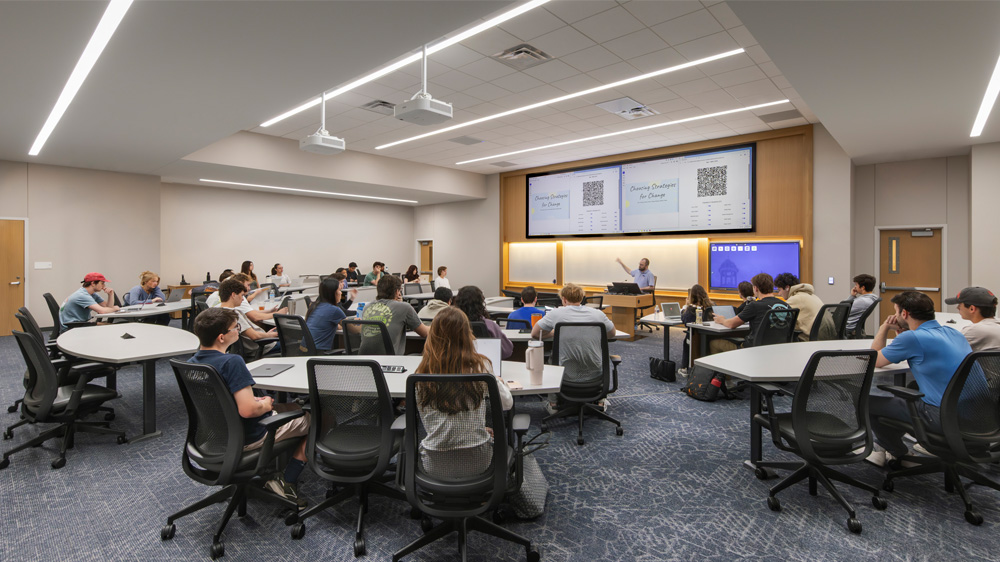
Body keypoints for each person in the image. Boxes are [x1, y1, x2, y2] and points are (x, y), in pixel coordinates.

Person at [188, 308, 309, 507]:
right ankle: (286, 481)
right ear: (221, 337)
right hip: (248, 436)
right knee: (316, 417)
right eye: (235, 328)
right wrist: (265, 404)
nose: (238, 330)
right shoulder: (232, 362)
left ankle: (275, 464)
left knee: (293, 406)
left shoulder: (194, 363)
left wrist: (261, 404)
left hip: (212, 438)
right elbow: (248, 410)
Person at [868, 291, 972, 464]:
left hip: (941, 417)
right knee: (911, 388)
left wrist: (884, 327)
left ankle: (900, 453)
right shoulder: (954, 333)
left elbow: (875, 359)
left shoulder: (913, 338)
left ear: (904, 314)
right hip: (974, 415)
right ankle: (890, 447)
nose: (894, 316)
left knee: (867, 402)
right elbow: (918, 350)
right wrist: (903, 336)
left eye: (896, 312)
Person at [414, 307, 513, 478]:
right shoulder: (481, 367)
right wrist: (496, 380)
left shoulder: (421, 374)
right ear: (467, 335)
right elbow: (507, 403)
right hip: (479, 461)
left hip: (434, 464)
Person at [531, 283, 616, 413]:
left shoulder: (556, 314)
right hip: (595, 375)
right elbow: (612, 334)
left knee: (551, 359)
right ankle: (600, 400)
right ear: (581, 298)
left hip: (566, 376)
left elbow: (535, 334)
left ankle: (553, 403)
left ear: (564, 299)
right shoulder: (598, 314)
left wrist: (555, 332)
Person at [711, 273, 792, 352]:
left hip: (754, 350)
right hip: (780, 350)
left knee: (714, 343)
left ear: (756, 288)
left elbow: (731, 324)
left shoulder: (754, 305)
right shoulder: (786, 306)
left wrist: (722, 320)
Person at [359, 275, 428, 355]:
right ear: (397, 292)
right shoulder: (404, 307)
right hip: (390, 362)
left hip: (366, 362)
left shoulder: (367, 307)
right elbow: (425, 333)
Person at [217, 278, 279, 355]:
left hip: (260, 342)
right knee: (293, 343)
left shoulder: (218, 311)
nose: (243, 299)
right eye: (242, 295)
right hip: (262, 347)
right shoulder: (233, 314)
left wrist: (266, 334)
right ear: (233, 295)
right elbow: (254, 336)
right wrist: (270, 335)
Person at [453, 285, 513, 359]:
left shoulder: (452, 324)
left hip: (456, 366)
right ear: (481, 303)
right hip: (485, 365)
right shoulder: (490, 325)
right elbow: (507, 351)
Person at [774, 272, 825, 341]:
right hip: (823, 335)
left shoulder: (796, 298)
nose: (779, 294)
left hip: (811, 338)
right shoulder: (811, 295)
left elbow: (779, 317)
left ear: (787, 288)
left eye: (779, 290)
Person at [947, 286, 1000, 351]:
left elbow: (947, 351)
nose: (957, 308)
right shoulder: (997, 324)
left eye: (960, 305)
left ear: (972, 309)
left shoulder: (973, 331)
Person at [679, 284, 714, 376]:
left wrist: (685, 307)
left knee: (687, 339)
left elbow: (685, 321)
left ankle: (684, 368)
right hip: (711, 335)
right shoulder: (712, 306)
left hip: (696, 337)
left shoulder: (691, 309)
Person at [305, 277, 348, 351]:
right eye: (339, 290)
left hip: (305, 351)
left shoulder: (314, 305)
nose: (341, 293)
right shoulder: (334, 310)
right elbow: (351, 329)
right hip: (319, 353)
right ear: (333, 293)